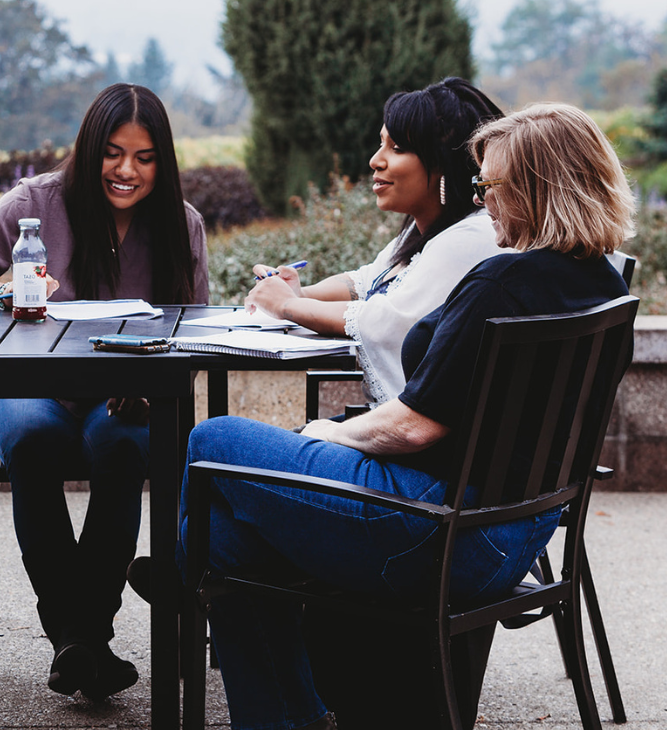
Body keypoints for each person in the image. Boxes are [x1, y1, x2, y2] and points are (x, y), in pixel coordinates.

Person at [144, 101, 635, 730]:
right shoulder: (602, 285)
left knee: (213, 441)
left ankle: (186, 587)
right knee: (228, 536)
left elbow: (412, 425)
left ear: (536, 192)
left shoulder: (500, 285)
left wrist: (327, 433)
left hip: (438, 530)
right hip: (516, 533)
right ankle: (281, 709)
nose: (484, 203)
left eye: (493, 188)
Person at [0, 83, 208, 700]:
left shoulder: (181, 225)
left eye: (144, 157)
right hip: (32, 391)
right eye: (114, 153)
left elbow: (192, 334)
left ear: (162, 162)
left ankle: (77, 641)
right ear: (91, 149)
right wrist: (5, 289)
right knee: (30, 438)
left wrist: (145, 384)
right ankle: (83, 640)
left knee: (123, 447)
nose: (127, 171)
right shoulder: (38, 202)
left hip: (124, 399)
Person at [245, 77, 507, 404]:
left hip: (411, 447)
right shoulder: (423, 232)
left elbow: (384, 319)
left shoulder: (471, 238)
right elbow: (367, 280)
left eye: (396, 148)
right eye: (381, 144)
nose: (375, 160)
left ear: (442, 162)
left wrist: (287, 306)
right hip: (398, 435)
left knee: (215, 436)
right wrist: (300, 291)